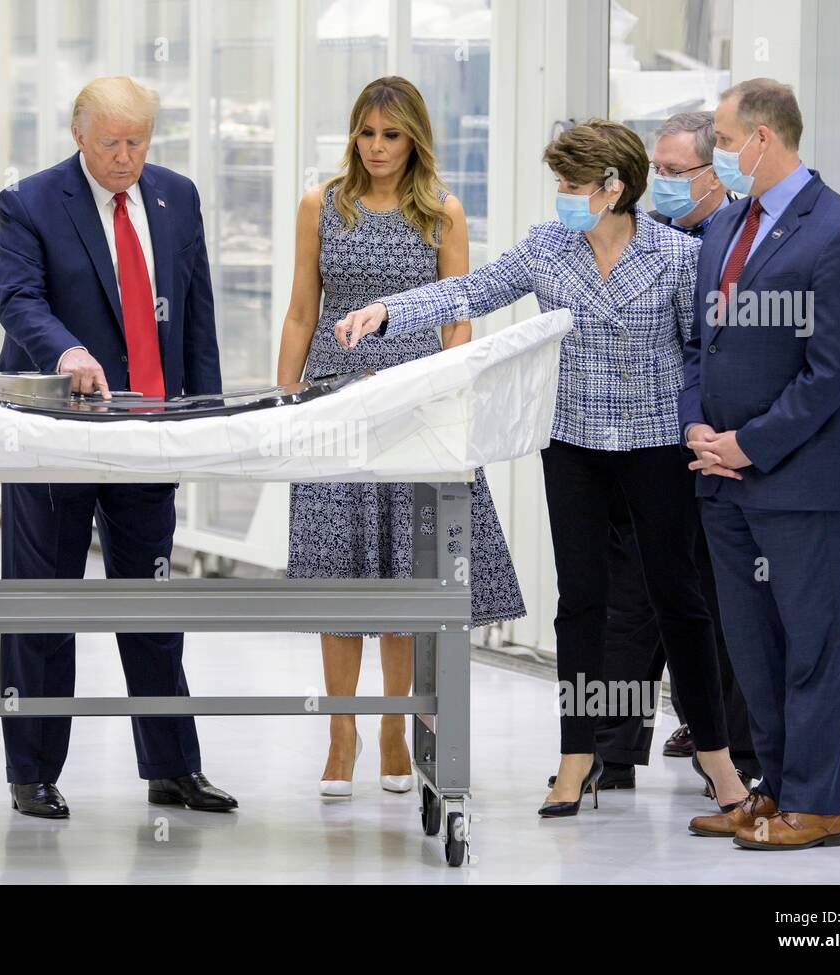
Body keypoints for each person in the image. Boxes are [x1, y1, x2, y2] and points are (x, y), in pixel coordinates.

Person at [334, 119, 748, 820]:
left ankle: (718, 759)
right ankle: (575, 758)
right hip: (575, 443)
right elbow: (469, 290)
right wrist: (386, 311)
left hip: (655, 445)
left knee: (680, 599)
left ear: (613, 188)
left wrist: (710, 428)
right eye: (558, 181)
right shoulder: (548, 247)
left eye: (572, 183)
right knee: (580, 601)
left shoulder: (678, 257)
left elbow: (701, 352)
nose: (560, 193)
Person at [0, 76, 237, 818]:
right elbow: (18, 297)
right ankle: (31, 770)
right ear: (79, 134)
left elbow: (194, 310)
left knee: (151, 601)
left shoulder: (177, 195)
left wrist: (207, 416)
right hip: (55, 434)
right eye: (111, 143)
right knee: (45, 601)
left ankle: (172, 766)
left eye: (138, 142)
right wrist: (66, 352)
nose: (126, 157)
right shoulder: (30, 202)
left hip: (146, 431)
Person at [277, 76, 526, 799]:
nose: (377, 147)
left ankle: (393, 727)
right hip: (335, 403)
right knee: (335, 572)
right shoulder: (321, 205)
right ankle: (340, 730)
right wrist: (288, 402)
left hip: (413, 409)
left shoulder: (442, 213)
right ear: (352, 135)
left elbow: (457, 319)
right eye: (366, 133)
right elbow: (301, 310)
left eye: (391, 134)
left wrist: (451, 406)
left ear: (414, 136)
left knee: (401, 572)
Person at [682, 79, 840, 850]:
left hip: (796, 481)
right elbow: (705, 345)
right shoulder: (727, 223)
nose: (717, 157)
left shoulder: (839, 233)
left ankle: (817, 804)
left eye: (725, 142)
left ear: (764, 139)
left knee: (810, 645)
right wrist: (699, 427)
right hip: (721, 478)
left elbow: (831, 373)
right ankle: (771, 789)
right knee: (752, 649)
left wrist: (749, 444)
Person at [590, 111, 759, 794]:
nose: (657, 182)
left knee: (719, 604)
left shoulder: (741, 240)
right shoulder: (642, 237)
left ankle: (732, 743)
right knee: (628, 606)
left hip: (720, 451)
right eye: (653, 169)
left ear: (713, 175)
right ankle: (612, 748)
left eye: (671, 171)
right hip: (646, 449)